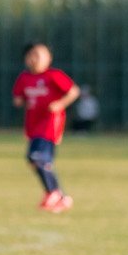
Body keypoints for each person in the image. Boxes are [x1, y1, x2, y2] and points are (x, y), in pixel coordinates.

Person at [12, 43, 79, 212]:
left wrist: (59, 104)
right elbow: (18, 98)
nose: (35, 59)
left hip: (50, 124)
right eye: (32, 55)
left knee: (36, 157)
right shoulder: (24, 78)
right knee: (38, 161)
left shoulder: (53, 75)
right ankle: (59, 196)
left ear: (49, 58)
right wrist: (20, 100)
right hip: (33, 125)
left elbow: (73, 91)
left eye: (40, 55)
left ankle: (54, 193)